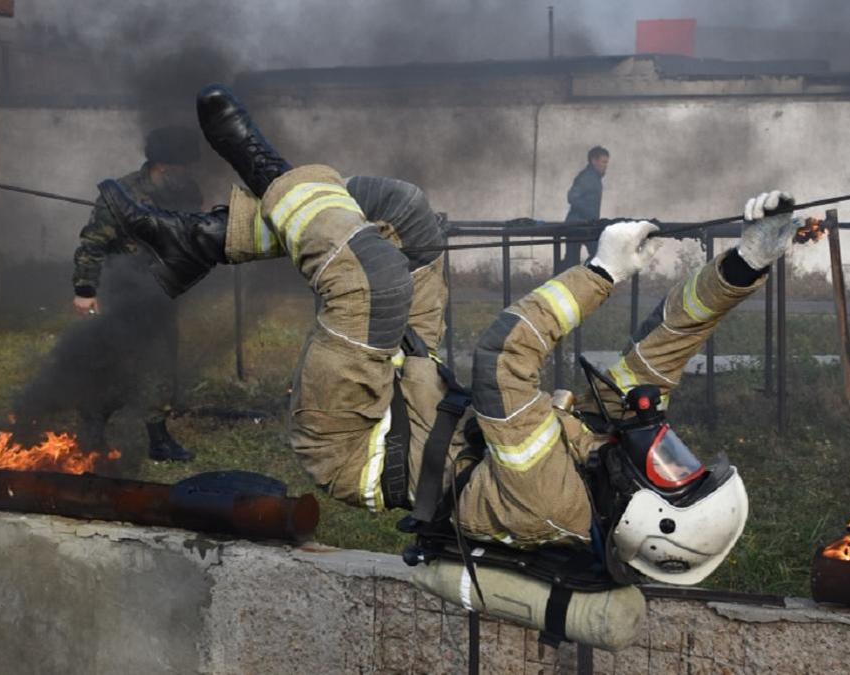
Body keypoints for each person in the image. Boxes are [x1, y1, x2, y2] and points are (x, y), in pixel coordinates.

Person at [99, 85, 802, 585]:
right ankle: (200, 238)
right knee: (410, 220)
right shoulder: (606, 465)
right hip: (420, 392)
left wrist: (599, 271)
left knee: (370, 277)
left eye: (675, 473)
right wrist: (751, 258)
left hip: (357, 434)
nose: (669, 452)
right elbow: (670, 342)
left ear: (653, 518)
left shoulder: (557, 496)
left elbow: (504, 361)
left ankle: (260, 167)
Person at [71, 126, 204, 461]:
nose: (186, 174)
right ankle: (93, 431)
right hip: (124, 293)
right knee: (116, 366)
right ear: (162, 165)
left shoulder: (186, 192)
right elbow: (92, 244)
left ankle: (158, 439)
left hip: (161, 293)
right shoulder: (122, 194)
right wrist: (85, 290)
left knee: (160, 367)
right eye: (181, 167)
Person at [562, 146, 609, 268]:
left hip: (583, 224)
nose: (605, 165)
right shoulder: (587, 177)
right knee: (597, 256)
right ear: (594, 160)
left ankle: (573, 278)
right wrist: (589, 216)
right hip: (579, 225)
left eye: (606, 162)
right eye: (603, 162)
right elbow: (572, 197)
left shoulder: (593, 177)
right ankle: (580, 276)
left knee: (571, 261)